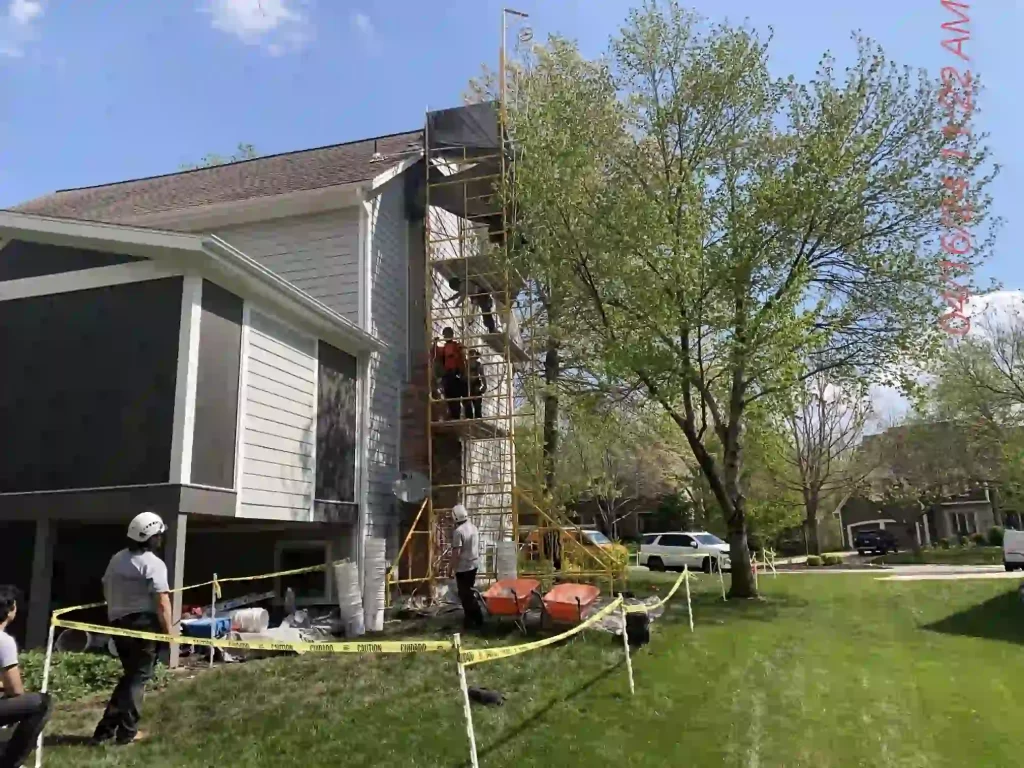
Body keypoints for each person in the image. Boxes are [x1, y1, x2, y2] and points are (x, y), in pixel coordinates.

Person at [91, 512, 174, 747]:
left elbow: (106, 586)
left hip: (118, 624)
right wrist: (170, 634)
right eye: (158, 535)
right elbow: (162, 602)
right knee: (139, 679)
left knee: (130, 678)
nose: (160, 539)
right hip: (143, 626)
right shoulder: (153, 564)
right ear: (149, 537)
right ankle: (127, 733)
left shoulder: (117, 559)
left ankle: (104, 730)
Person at [0, 585, 52, 768]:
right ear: (10, 610)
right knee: (41, 703)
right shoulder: (4, 642)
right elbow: (15, 691)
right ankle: (9, 763)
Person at [450, 504, 483, 630]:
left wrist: (450, 568)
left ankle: (477, 619)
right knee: (468, 593)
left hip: (463, 568)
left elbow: (456, 553)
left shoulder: (458, 532)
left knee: (465, 595)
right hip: (473, 565)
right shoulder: (473, 528)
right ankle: (470, 620)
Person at [431, 327, 467, 420]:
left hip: (456, 375)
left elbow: (462, 358)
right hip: (448, 375)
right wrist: (435, 343)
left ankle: (456, 417)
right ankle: (452, 416)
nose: (446, 336)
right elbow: (435, 353)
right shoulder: (445, 348)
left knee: (455, 398)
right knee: (449, 397)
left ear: (451, 335)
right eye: (445, 334)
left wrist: (463, 372)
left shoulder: (456, 346)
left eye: (447, 334)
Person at [467, 350, 487, 420]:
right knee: (467, 403)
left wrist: (484, 385)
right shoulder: (465, 363)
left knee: (477, 403)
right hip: (467, 384)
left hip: (476, 384)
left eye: (473, 354)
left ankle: (478, 418)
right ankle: (469, 418)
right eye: (470, 354)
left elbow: (482, 376)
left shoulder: (479, 365)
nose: (471, 356)